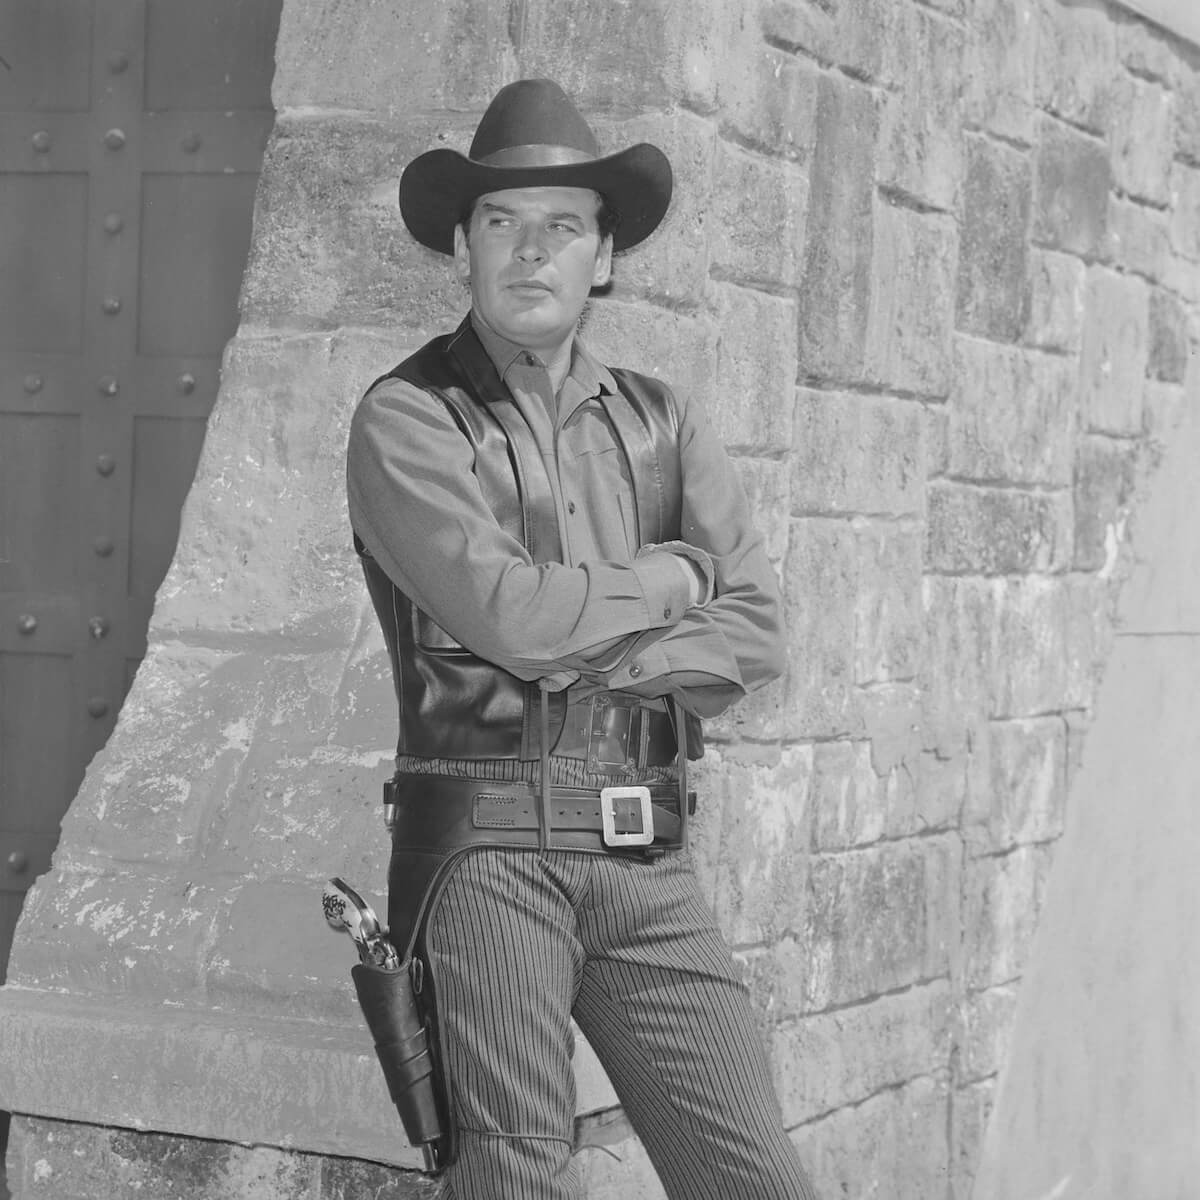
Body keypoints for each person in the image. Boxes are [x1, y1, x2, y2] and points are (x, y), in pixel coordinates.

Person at [346, 77, 819, 1200]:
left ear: (602, 257)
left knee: (754, 1176)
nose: (530, 250)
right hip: (486, 849)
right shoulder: (407, 415)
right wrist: (672, 576)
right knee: (515, 1179)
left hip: (648, 860)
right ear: (461, 245)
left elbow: (754, 630)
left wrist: (594, 654)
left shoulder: (667, 420)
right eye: (502, 222)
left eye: (562, 225)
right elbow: (507, 619)